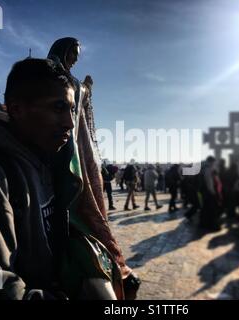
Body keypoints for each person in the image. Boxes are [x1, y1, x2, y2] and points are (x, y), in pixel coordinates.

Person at [0, 58, 111, 299]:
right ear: (16, 109)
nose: (70, 122)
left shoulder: (48, 160)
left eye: (71, 109)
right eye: (58, 108)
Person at [47, 38, 140, 299]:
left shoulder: (65, 75)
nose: (75, 59)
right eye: (73, 54)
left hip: (77, 142)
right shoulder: (51, 73)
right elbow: (71, 90)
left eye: (77, 55)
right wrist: (85, 88)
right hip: (68, 146)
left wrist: (85, 88)